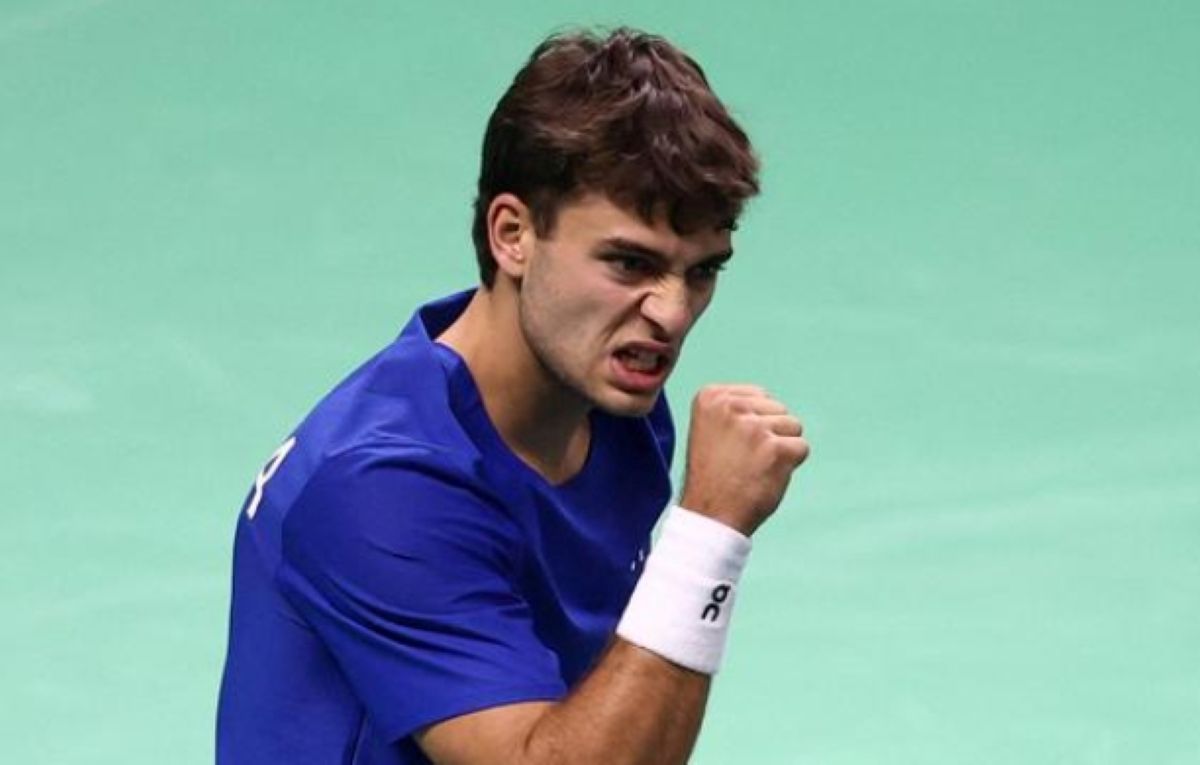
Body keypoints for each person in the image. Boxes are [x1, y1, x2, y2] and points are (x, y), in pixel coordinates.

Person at [216, 27, 809, 765]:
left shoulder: (616, 413)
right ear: (512, 235)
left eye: (702, 271)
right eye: (630, 263)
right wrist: (709, 533)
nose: (673, 312)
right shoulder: (381, 486)